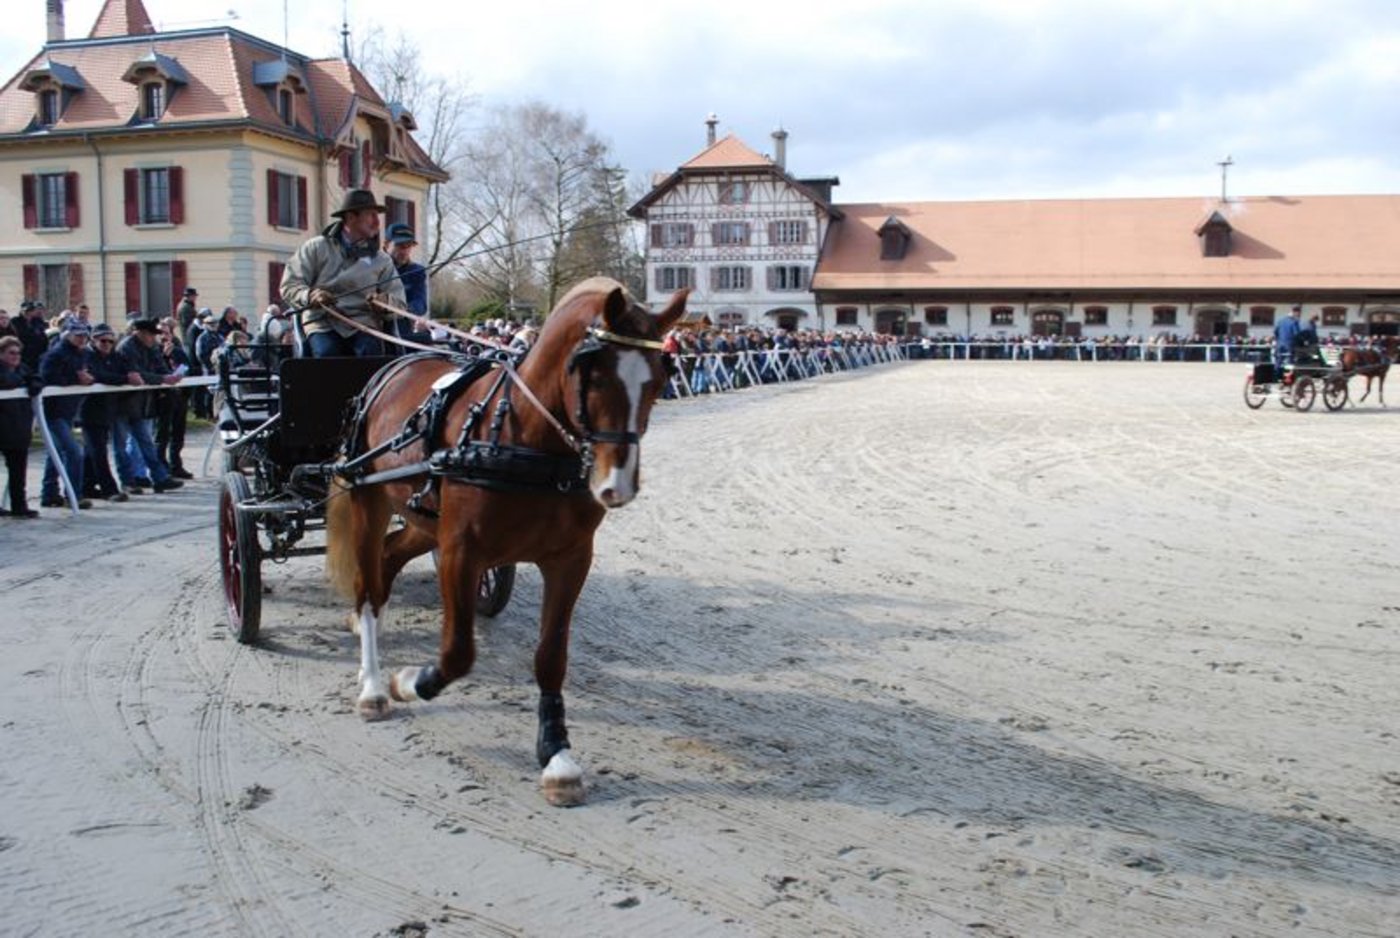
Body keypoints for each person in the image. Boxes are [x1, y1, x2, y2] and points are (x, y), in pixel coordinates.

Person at [280, 188, 405, 357]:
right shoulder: (315, 248)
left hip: (364, 325)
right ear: (351, 217)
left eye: (377, 216)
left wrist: (385, 302)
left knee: (371, 356)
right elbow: (289, 286)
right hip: (322, 322)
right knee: (327, 353)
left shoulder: (382, 259)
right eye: (370, 215)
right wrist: (310, 296)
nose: (377, 222)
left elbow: (400, 303)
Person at [114, 318, 184, 493]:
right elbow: (136, 373)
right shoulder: (126, 347)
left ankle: (159, 477)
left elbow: (158, 365)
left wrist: (169, 375)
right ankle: (128, 481)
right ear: (140, 333)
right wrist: (162, 379)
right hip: (121, 402)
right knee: (121, 445)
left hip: (139, 402)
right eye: (151, 334)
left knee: (146, 442)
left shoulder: (150, 347)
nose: (154, 338)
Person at [37, 319, 95, 509]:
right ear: (67, 335)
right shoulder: (56, 354)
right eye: (78, 335)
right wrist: (75, 379)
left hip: (68, 409)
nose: (81, 339)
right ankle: (73, 494)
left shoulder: (84, 354)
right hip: (53, 410)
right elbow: (46, 377)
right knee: (73, 451)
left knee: (56, 452)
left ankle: (49, 493)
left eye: (84, 336)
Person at [0, 335, 40, 517]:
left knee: (18, 471)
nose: (16, 357)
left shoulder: (23, 369)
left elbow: (37, 378)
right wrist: (24, 381)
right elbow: (5, 382)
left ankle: (19, 506)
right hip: (3, 426)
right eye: (11, 353)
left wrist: (34, 383)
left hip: (18, 427)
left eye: (18, 353)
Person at [385, 222, 430, 350]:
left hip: (401, 327)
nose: (404, 251)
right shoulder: (374, 268)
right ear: (387, 244)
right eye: (399, 246)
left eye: (408, 246)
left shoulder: (417, 271)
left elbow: (421, 303)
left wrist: (406, 310)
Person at [1273, 304, 1303, 369]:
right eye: (1299, 313)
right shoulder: (1294, 322)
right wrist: (1302, 341)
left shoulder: (1281, 320)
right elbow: (1296, 334)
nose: (1298, 315)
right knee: (1289, 363)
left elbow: (1275, 331)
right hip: (1289, 345)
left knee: (1278, 361)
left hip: (1280, 344)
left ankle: (1276, 377)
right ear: (1296, 312)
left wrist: (1279, 340)